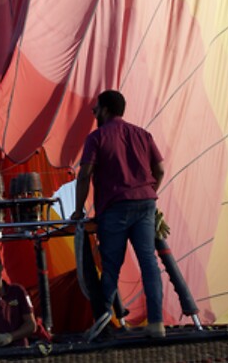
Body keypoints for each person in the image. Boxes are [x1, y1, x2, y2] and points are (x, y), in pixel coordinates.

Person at [70, 90, 166, 340]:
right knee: (149, 263)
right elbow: (160, 169)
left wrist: (79, 211)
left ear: (106, 110)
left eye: (96, 108)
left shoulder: (97, 137)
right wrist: (149, 192)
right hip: (145, 203)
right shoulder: (143, 134)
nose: (93, 113)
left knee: (111, 267)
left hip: (114, 208)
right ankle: (157, 323)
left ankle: (102, 326)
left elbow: (85, 174)